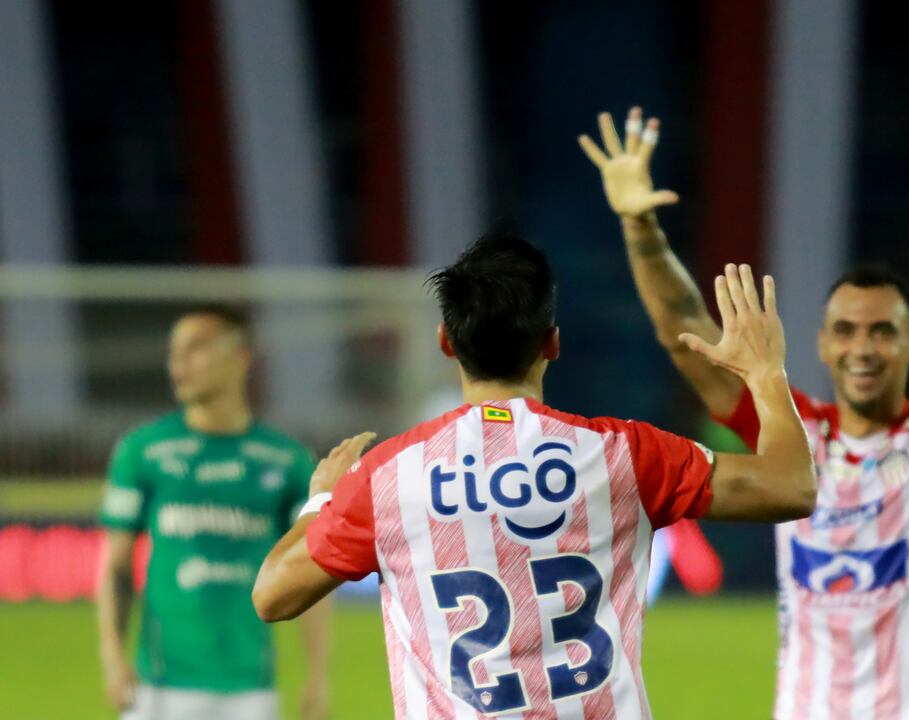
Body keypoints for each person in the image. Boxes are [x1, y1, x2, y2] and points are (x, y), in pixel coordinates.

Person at [579, 108, 909, 718]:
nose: (862, 348)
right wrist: (640, 228)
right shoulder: (790, 433)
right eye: (845, 331)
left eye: (882, 332)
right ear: (820, 344)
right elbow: (683, 332)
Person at [252, 233, 817, 719]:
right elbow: (791, 486)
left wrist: (318, 501)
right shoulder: (625, 455)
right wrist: (766, 373)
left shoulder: (388, 476)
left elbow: (272, 597)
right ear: (552, 343)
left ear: (446, 341)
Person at [96, 306, 330, 720]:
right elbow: (115, 565)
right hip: (159, 685)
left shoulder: (287, 461)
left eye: (196, 348)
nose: (179, 363)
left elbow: (310, 570)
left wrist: (317, 674)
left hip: (249, 688)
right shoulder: (143, 451)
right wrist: (113, 655)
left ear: (240, 357)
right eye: (174, 352)